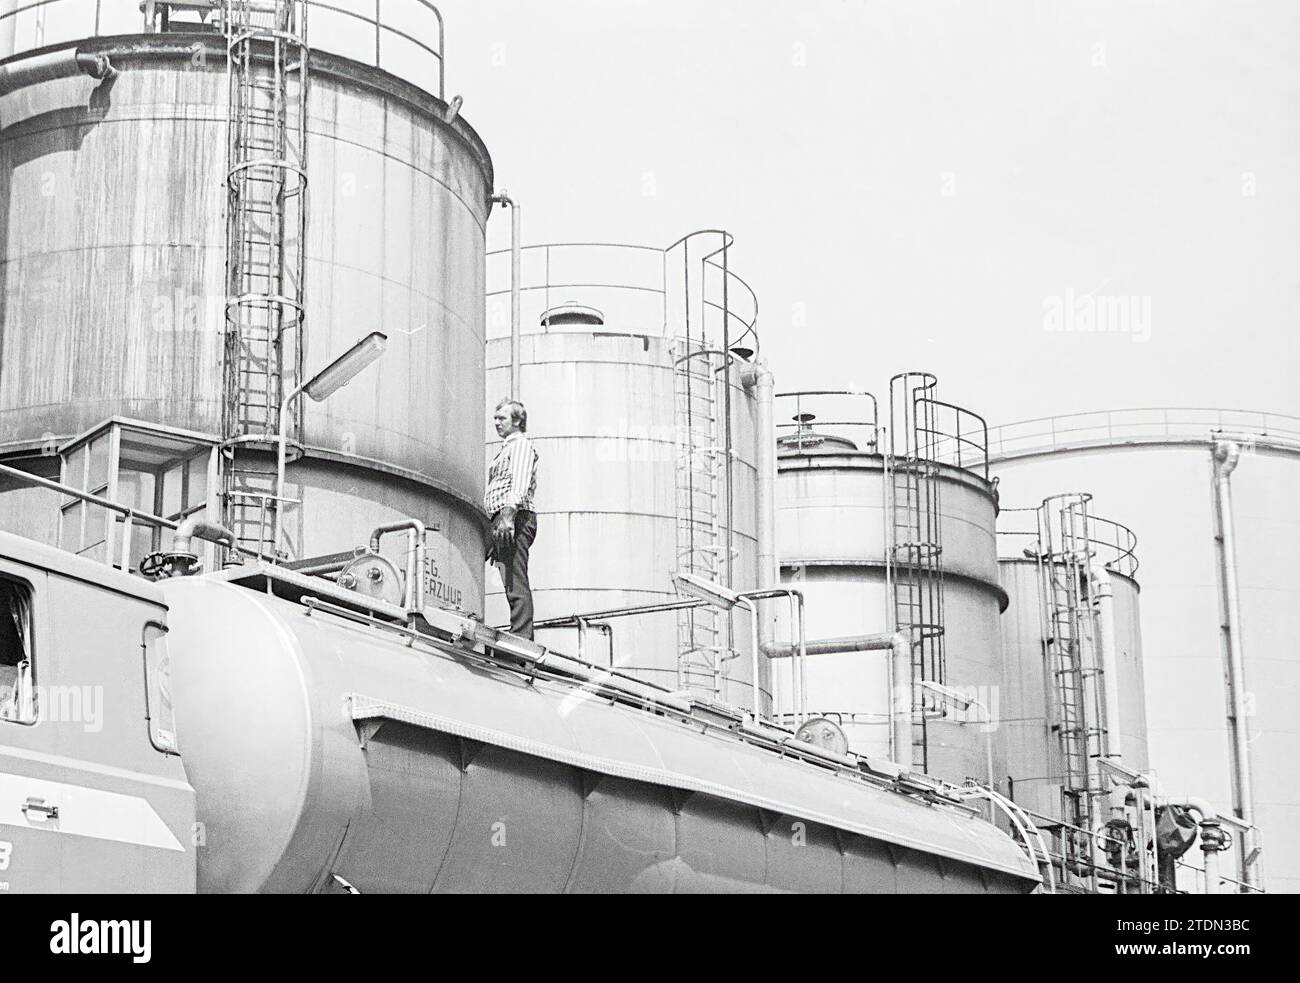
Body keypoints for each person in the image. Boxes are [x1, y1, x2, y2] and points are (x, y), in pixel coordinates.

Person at [485, 398, 539, 639]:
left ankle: (522, 636)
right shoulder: (505, 448)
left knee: (515, 577)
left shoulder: (520, 446)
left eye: (502, 418)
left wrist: (508, 515)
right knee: (509, 579)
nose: (496, 422)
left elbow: (519, 481)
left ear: (517, 421)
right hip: (501, 520)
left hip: (514, 518)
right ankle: (518, 631)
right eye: (495, 418)